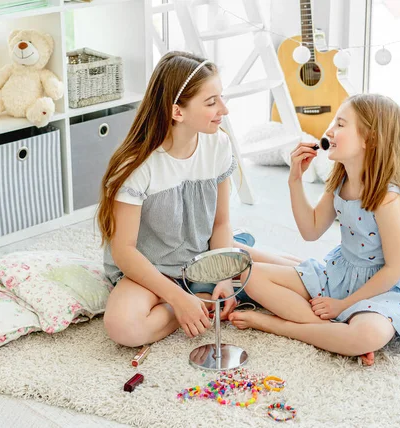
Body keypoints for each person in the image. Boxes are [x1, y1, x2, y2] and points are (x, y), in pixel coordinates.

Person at [97, 51, 298, 347]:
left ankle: (208, 290)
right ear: (177, 111)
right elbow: (124, 251)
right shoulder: (136, 165)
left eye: (221, 97)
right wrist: (177, 298)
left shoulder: (218, 144)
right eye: (211, 102)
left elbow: (221, 223)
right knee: (123, 328)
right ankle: (199, 298)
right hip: (151, 269)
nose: (224, 110)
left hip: (206, 254)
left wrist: (223, 276)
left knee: (297, 275)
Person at [229, 94, 400, 365]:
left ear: (369, 139)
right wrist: (295, 179)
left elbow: (394, 269)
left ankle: (280, 325)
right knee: (250, 275)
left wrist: (342, 305)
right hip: (340, 274)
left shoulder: (388, 199)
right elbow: (310, 231)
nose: (328, 131)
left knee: (367, 335)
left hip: (385, 288)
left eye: (340, 124)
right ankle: (334, 334)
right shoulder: (340, 180)